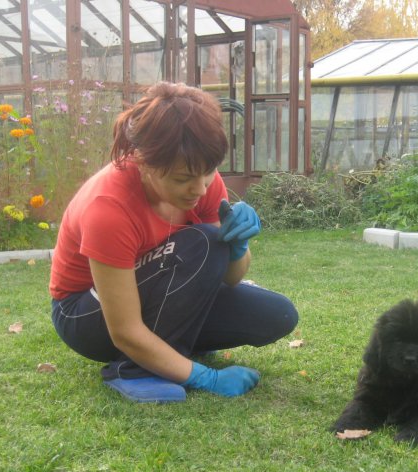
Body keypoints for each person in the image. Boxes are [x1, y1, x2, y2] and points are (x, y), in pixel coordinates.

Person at [49, 82, 298, 403]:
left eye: (208, 172)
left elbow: (230, 277)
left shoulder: (203, 180)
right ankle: (132, 369)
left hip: (153, 298)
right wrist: (205, 377)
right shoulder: (108, 207)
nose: (199, 188)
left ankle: (170, 352)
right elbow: (123, 329)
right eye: (183, 179)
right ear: (145, 162)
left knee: (277, 315)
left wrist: (238, 247)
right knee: (205, 242)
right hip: (85, 315)